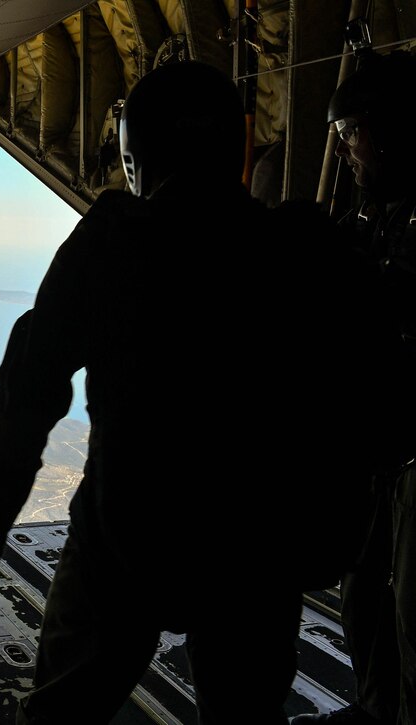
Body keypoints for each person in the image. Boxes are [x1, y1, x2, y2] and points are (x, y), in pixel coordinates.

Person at [0, 60, 414, 724]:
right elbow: (380, 395)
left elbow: (29, 394)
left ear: (139, 156)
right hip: (255, 549)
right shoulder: (303, 248)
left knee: (61, 712)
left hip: (124, 534)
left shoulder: (112, 239)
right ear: (235, 149)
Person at [292, 50, 416, 725]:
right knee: (365, 594)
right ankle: (377, 707)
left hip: (408, 453)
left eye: (351, 136)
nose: (343, 153)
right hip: (380, 454)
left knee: (410, 606)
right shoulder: (375, 218)